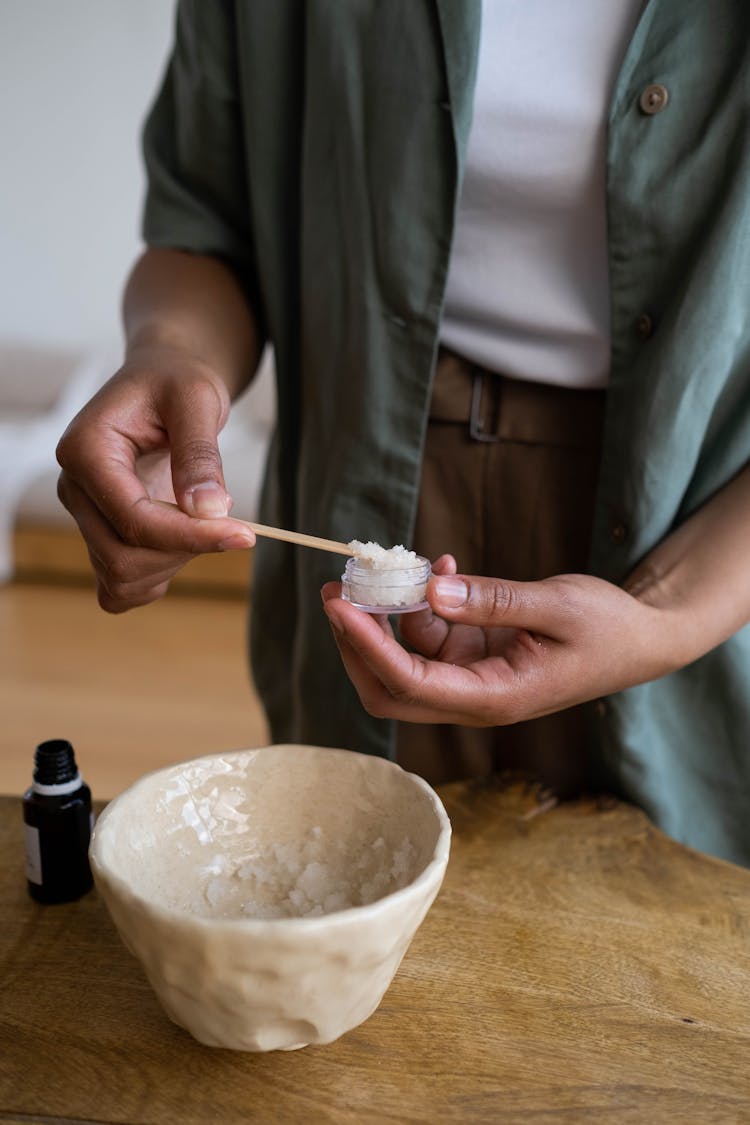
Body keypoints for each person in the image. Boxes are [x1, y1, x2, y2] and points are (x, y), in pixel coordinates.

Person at [56, 1, 750, 866]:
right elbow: (206, 227)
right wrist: (175, 352)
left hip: (710, 526)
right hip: (372, 457)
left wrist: (669, 617)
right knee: (350, 873)